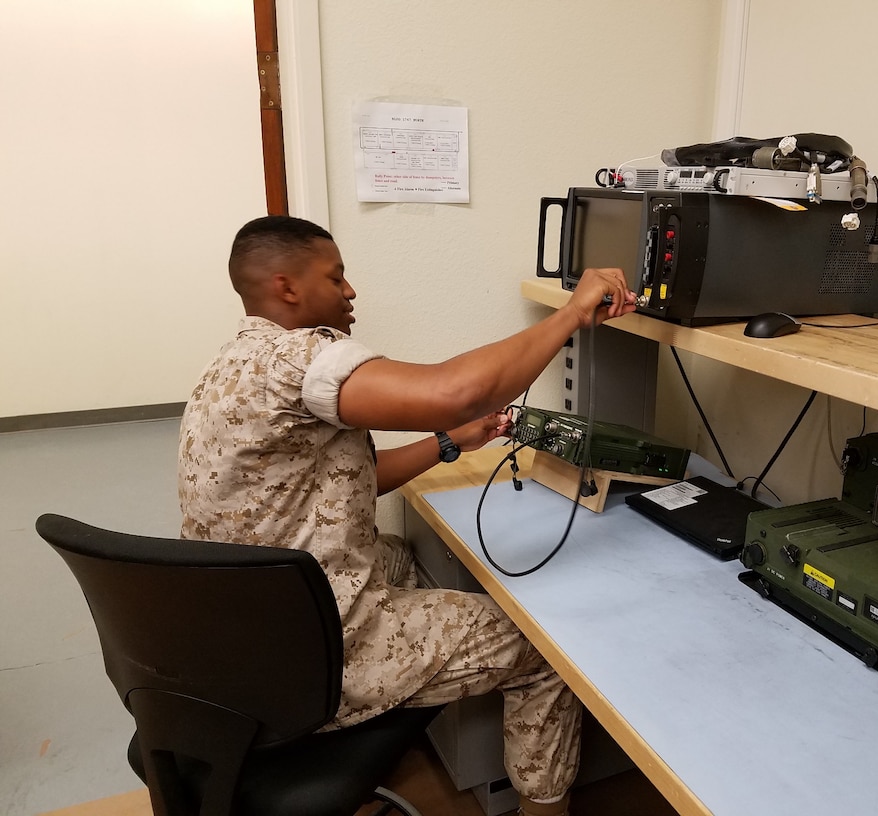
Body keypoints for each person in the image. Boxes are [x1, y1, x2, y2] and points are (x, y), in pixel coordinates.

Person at [178, 214, 636, 816]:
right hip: (309, 658)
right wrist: (573, 313)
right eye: (335, 276)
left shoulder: (236, 363)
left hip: (238, 632)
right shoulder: (302, 361)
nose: (351, 291)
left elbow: (347, 480)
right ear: (287, 287)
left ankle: (422, 673)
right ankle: (542, 807)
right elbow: (457, 391)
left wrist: (451, 443)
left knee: (397, 553)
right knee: (544, 652)